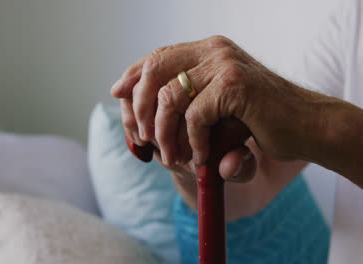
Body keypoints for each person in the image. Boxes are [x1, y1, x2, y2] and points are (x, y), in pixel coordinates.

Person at [111, 0, 363, 263]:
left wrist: (309, 120)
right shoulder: (353, 18)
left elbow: (298, 117)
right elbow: (261, 172)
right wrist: (197, 155)